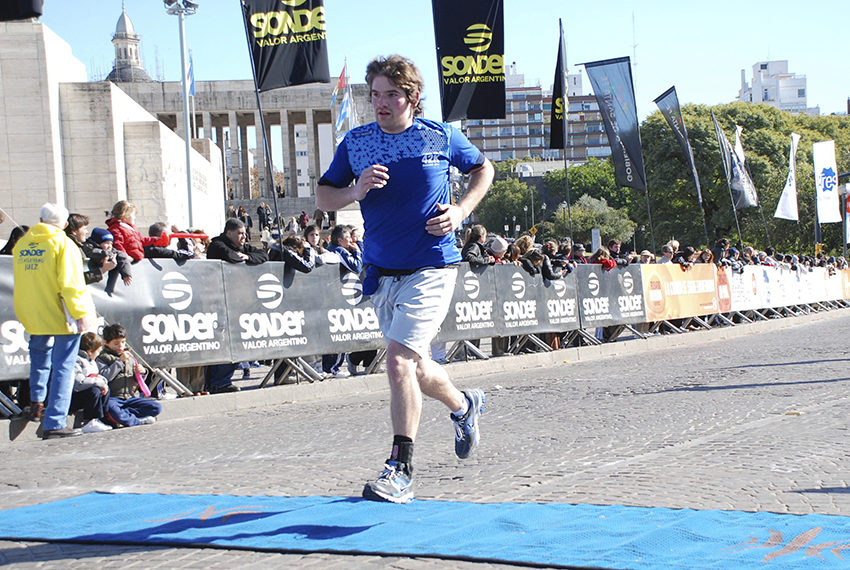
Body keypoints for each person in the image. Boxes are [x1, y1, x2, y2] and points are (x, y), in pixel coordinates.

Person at [316, 54, 493, 504]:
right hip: (380, 272)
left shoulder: (439, 134)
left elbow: (482, 168)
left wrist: (461, 211)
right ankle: (465, 405)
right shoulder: (356, 143)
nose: (381, 102)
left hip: (433, 265)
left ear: (411, 97)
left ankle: (400, 468)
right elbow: (323, 195)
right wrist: (355, 191)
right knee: (415, 367)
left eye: (390, 94)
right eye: (374, 94)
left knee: (396, 361)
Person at [13, 203, 91, 439]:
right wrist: (80, 313)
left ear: (40, 219)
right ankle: (55, 421)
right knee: (64, 366)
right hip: (59, 312)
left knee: (39, 357)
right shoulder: (64, 244)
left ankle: (36, 404)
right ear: (65, 224)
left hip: (32, 311)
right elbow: (71, 283)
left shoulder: (24, 243)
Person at [205, 218, 268, 392]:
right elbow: (232, 257)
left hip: (237, 302)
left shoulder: (244, 247)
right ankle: (218, 382)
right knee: (224, 343)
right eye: (240, 233)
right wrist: (242, 258)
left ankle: (220, 381)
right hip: (218, 302)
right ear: (229, 233)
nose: (244, 237)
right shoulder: (217, 245)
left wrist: (247, 257)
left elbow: (263, 255)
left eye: (244, 233)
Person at [96, 324, 161, 427]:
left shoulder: (130, 357)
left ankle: (125, 416)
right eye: (116, 344)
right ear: (106, 343)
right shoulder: (103, 358)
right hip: (114, 398)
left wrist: (142, 372)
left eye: (123, 342)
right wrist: (119, 362)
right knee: (111, 408)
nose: (121, 346)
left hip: (130, 397)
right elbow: (105, 377)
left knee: (155, 407)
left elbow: (136, 380)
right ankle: (136, 421)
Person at [71, 332, 113, 434]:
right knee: (94, 391)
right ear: (90, 351)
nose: (98, 354)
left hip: (88, 390)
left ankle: (102, 418)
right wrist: (98, 383)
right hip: (75, 396)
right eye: (98, 351)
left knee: (104, 390)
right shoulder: (77, 361)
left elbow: (96, 375)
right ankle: (88, 421)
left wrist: (103, 382)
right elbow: (79, 382)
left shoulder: (92, 361)